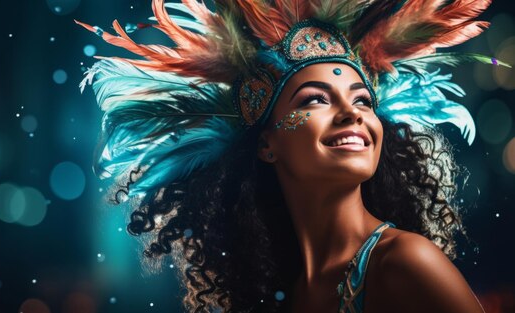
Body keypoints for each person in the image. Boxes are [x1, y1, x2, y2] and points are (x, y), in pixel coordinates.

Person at [76, 1, 508, 312]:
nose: (352, 115)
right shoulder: (277, 289)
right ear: (266, 145)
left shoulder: (404, 264)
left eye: (362, 101)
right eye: (316, 100)